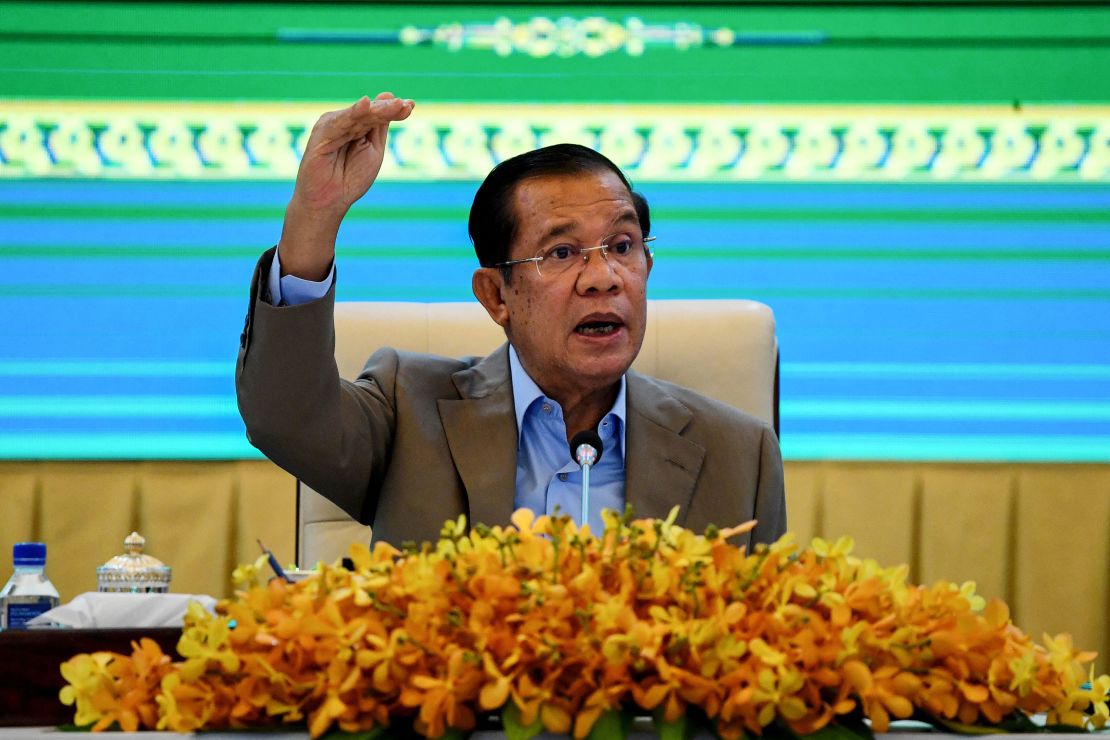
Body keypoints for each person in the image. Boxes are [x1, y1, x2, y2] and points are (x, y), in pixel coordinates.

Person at [236, 93, 785, 547]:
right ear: (496, 295)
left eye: (622, 245)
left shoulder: (739, 453)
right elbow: (284, 416)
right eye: (562, 253)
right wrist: (315, 215)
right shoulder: (411, 413)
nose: (604, 277)